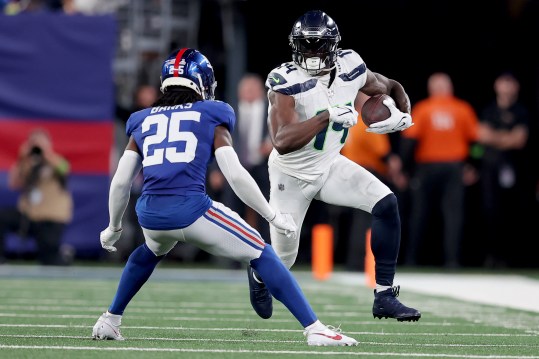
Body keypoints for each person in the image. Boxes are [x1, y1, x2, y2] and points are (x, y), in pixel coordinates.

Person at [91, 47, 358, 346]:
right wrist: (272, 215)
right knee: (262, 252)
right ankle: (315, 329)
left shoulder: (141, 119)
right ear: (202, 82)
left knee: (149, 252)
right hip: (192, 211)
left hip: (150, 214)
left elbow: (120, 182)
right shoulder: (212, 112)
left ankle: (109, 320)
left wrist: (114, 227)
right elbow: (234, 173)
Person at [247, 9, 420, 322]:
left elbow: (388, 85)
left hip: (329, 165)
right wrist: (326, 116)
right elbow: (281, 141)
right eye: (306, 45)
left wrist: (403, 114)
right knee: (283, 258)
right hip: (291, 174)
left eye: (318, 45)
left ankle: (384, 295)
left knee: (386, 203)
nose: (312, 53)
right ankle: (259, 276)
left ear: (334, 46)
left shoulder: (351, 65)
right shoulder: (284, 80)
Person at [399, 72, 480, 268]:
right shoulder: (462, 109)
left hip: (428, 167)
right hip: (453, 167)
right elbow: (477, 144)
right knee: (453, 215)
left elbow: (409, 142)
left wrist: (405, 169)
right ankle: (452, 260)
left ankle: (412, 259)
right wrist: (474, 165)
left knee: (420, 213)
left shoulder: (424, 109)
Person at [477, 72, 530, 267]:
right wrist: (507, 138)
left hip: (516, 168)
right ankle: (491, 257)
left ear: (516, 88)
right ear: (496, 86)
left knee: (514, 212)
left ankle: (512, 258)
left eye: (510, 84)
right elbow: (482, 135)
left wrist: (496, 137)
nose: (506, 88)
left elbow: (519, 140)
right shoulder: (489, 110)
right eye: (503, 84)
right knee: (490, 211)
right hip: (490, 167)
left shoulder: (522, 111)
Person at [0, 128, 73, 265]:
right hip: (29, 215)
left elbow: (65, 169)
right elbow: (13, 183)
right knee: (2, 216)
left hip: (51, 218)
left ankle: (64, 254)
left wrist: (46, 153)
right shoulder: (28, 163)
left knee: (49, 260)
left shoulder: (55, 161)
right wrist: (22, 158)